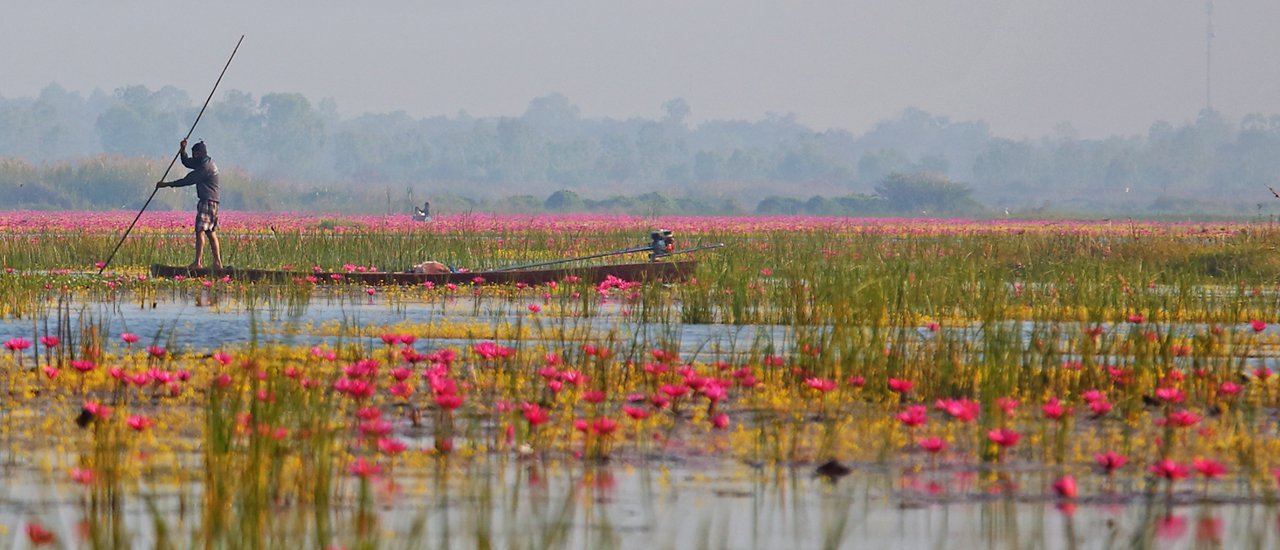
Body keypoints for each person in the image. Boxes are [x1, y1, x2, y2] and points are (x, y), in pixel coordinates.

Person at [156, 139, 222, 269]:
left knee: (200, 230)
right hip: (211, 200)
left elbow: (188, 180)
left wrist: (167, 184)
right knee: (210, 232)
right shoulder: (202, 162)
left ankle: (198, 263)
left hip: (208, 201)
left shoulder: (205, 167)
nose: (194, 157)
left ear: (201, 153)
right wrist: (182, 150)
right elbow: (187, 162)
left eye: (195, 154)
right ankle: (217, 263)